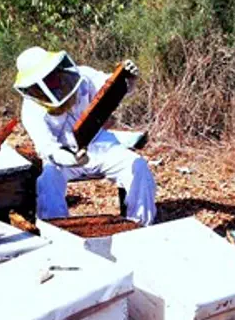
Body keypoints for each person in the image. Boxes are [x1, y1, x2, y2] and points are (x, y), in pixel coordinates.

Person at [13, 46, 156, 226]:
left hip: (98, 143)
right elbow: (47, 148)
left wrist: (129, 81)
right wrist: (71, 159)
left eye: (52, 73)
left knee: (137, 165)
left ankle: (141, 223)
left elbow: (110, 86)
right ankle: (56, 231)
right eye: (45, 79)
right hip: (63, 157)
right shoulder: (31, 110)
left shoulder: (81, 76)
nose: (52, 80)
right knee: (48, 181)